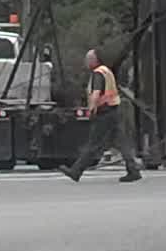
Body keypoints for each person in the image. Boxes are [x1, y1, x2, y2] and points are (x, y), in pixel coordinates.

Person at [59, 49, 142, 183]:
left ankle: (76, 171)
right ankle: (133, 170)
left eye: (88, 59)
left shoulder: (98, 73)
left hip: (104, 113)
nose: (86, 62)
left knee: (93, 143)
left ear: (94, 60)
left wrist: (91, 109)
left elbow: (96, 92)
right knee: (121, 142)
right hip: (114, 110)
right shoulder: (107, 71)